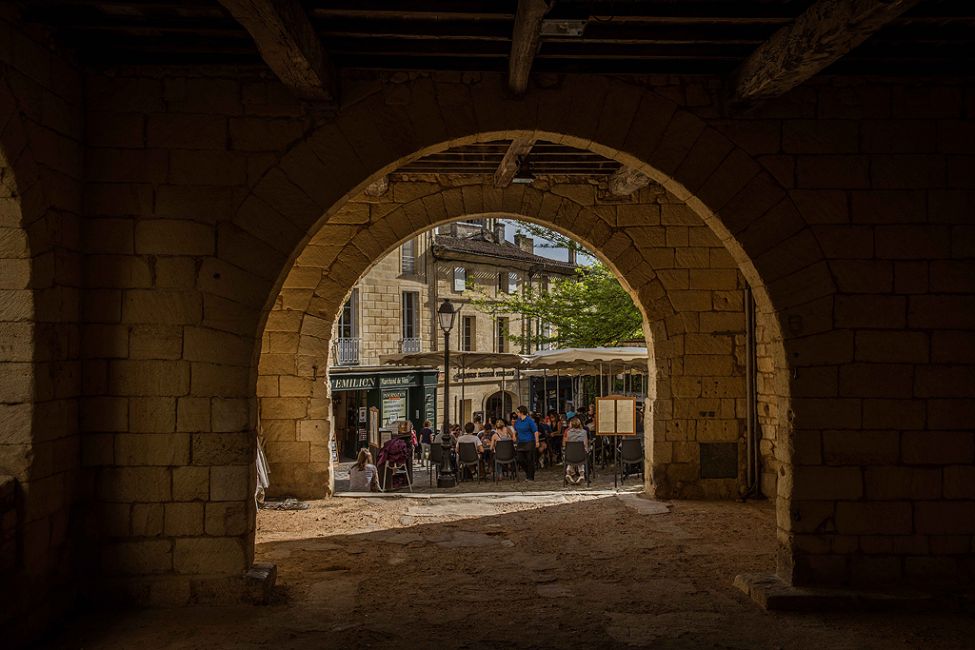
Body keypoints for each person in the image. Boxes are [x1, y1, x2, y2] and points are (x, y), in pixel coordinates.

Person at [512, 405, 539, 480]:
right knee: (519, 459)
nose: (517, 413)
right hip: (521, 442)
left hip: (529, 441)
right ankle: (528, 471)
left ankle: (530, 476)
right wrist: (514, 435)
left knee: (530, 459)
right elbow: (515, 430)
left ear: (521, 412)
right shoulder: (518, 421)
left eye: (518, 412)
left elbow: (535, 431)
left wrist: (537, 441)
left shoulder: (529, 420)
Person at [563, 417, 588, 484]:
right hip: (580, 455)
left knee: (572, 456)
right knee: (581, 455)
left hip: (570, 455)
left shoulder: (568, 432)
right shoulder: (584, 432)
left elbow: (565, 443)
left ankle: (568, 473)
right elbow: (585, 444)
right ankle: (582, 474)